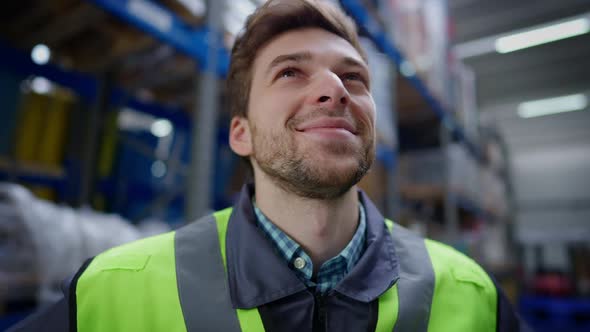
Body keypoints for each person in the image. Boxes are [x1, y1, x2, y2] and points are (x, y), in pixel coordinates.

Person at [12, 0, 528, 331]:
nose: (334, 89)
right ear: (241, 133)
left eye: (355, 77)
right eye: (289, 73)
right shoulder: (112, 294)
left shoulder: (470, 296)